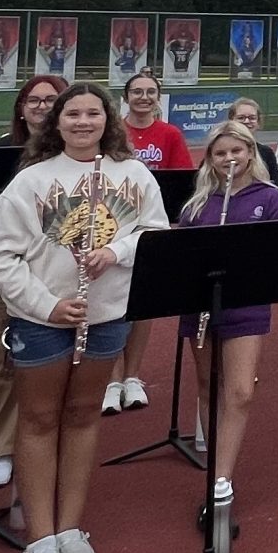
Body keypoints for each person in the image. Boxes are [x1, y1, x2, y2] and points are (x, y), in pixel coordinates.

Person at [0, 83, 169, 553]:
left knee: (84, 415)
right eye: (73, 114)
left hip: (107, 315)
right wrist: (48, 305)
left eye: (93, 113)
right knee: (39, 418)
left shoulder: (134, 174)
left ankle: (70, 527)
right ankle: (39, 535)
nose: (83, 122)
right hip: (42, 321)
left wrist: (117, 252)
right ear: (56, 123)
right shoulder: (31, 180)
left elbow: (155, 231)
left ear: (108, 120)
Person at [173, 121, 278, 541]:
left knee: (240, 390)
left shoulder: (271, 198)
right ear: (210, 158)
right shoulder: (197, 204)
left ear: (250, 154)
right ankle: (214, 470)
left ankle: (221, 481)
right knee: (208, 383)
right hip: (201, 305)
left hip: (246, 304)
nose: (229, 159)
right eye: (220, 153)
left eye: (236, 151)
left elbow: (276, 256)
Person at [0, 73, 64, 491]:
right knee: (4, 359)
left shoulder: (72, 157)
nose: (41, 106)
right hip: (6, 274)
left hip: (56, 269)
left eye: (51, 99)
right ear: (20, 105)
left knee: (59, 361)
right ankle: (2, 446)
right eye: (33, 99)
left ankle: (52, 436)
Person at [111, 72, 195, 415]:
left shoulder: (170, 133)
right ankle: (112, 379)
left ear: (158, 98)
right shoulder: (114, 131)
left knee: (142, 304)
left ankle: (132, 376)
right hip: (115, 225)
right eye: (137, 92)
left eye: (150, 92)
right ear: (126, 96)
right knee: (112, 301)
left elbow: (182, 181)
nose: (143, 97)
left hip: (151, 225)